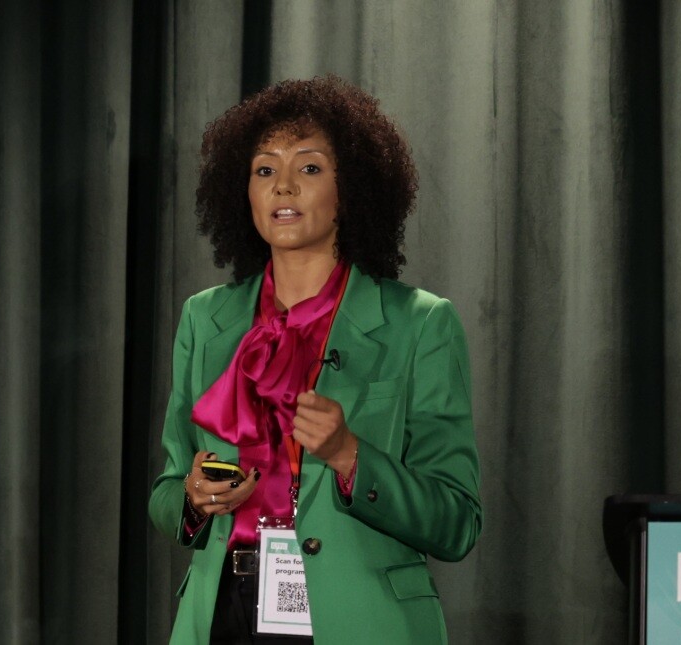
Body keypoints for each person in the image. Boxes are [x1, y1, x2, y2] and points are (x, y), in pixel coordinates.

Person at [148, 75, 481, 644]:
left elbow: (457, 522)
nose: (283, 186)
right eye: (264, 170)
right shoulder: (205, 319)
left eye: (308, 168)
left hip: (359, 620)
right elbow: (165, 491)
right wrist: (194, 499)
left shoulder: (422, 323)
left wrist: (351, 455)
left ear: (349, 190)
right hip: (225, 612)